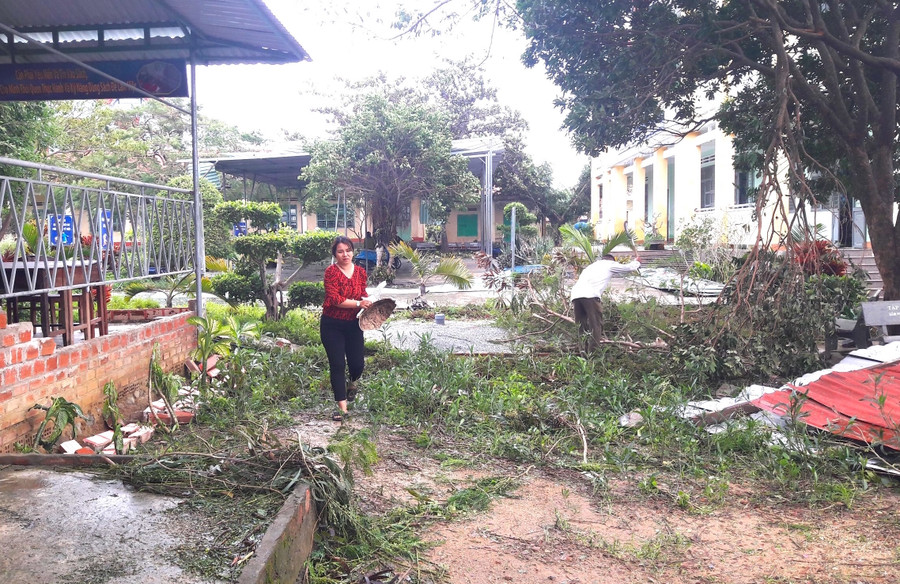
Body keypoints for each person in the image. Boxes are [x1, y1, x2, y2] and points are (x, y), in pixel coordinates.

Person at [321, 236, 373, 421]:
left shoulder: (360, 272)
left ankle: (352, 384)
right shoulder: (331, 272)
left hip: (354, 325)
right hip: (332, 325)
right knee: (337, 364)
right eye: (340, 251)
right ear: (335, 254)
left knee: (357, 364)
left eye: (348, 250)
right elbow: (335, 300)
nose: (345, 254)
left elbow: (363, 293)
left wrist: (369, 300)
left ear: (353, 251)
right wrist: (359, 302)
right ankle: (342, 409)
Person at [570, 253, 641, 350]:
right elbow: (628, 268)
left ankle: (582, 352)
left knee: (581, 326)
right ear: (612, 260)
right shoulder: (609, 264)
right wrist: (637, 262)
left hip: (575, 295)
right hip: (590, 296)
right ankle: (593, 355)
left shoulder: (590, 267)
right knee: (595, 325)